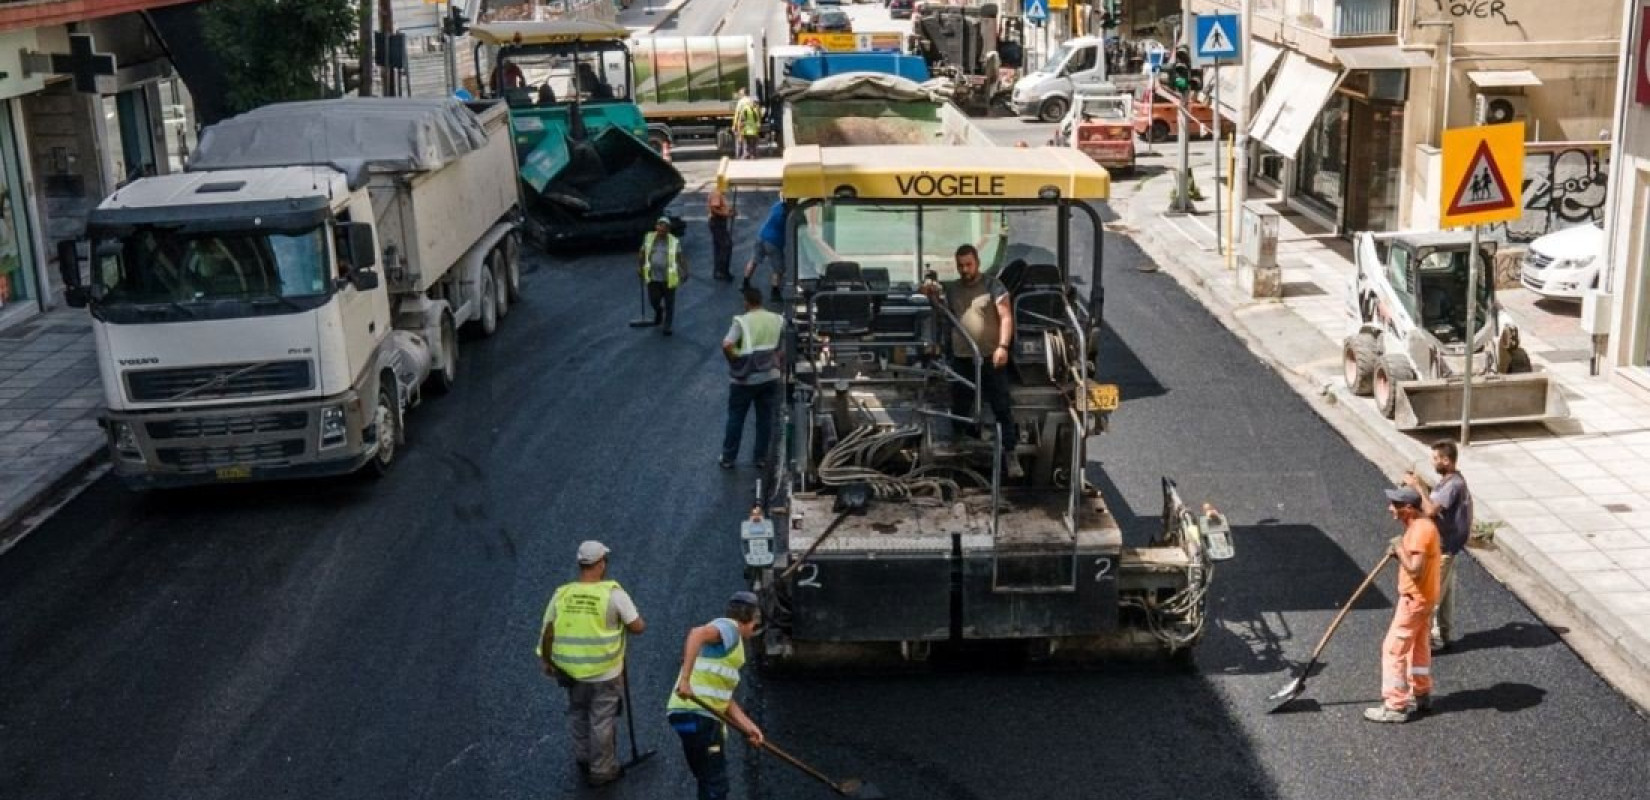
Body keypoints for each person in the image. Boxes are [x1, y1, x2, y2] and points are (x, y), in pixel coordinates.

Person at [537, 541, 647, 787]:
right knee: (602, 718)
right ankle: (602, 769)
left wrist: (545, 660)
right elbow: (638, 626)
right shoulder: (613, 594)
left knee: (578, 712)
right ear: (599, 564)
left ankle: (583, 757)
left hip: (570, 671)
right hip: (604, 672)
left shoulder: (562, 594)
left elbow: (547, 629)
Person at [920, 244, 1022, 479]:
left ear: (977, 263)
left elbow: (1006, 317)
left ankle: (1010, 453)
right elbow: (937, 302)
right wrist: (928, 291)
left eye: (969, 264)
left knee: (1001, 404)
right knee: (961, 403)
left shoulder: (993, 286)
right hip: (963, 357)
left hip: (991, 357)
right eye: (961, 266)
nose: (965, 269)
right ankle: (960, 445)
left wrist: (1003, 347)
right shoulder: (953, 289)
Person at [666, 591, 766, 800]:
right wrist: (684, 680)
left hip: (684, 715)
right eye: (756, 623)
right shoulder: (731, 629)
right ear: (750, 620)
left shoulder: (728, 645)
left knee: (707, 778)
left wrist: (748, 726)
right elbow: (697, 633)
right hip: (700, 715)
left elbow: (724, 698)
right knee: (716, 785)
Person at [1366, 487, 1442, 724]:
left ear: (1408, 508)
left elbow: (1416, 570)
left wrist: (1399, 548)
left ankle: (1395, 705)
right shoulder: (1422, 527)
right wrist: (1400, 550)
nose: (1390, 509)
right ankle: (1421, 693)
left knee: (1393, 650)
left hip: (1414, 600)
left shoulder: (1420, 531)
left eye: (1394, 505)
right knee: (1418, 647)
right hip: (1425, 599)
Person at [1403, 439, 1474, 651]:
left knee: (1430, 596)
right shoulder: (1452, 481)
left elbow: (1431, 510)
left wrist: (1417, 487)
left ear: (1446, 460)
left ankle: (1425, 641)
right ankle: (1444, 633)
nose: (1432, 462)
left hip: (1442, 550)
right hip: (1449, 548)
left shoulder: (1453, 485)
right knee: (1446, 595)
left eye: (1435, 458)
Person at [720, 287, 784, 469]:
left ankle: (728, 458)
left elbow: (727, 345)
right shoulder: (777, 319)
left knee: (736, 418)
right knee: (764, 419)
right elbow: (781, 346)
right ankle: (760, 458)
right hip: (770, 377)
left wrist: (734, 361)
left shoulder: (742, 321)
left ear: (747, 302)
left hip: (745, 379)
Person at [640, 216, 687, 335]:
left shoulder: (674, 241)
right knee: (653, 300)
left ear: (668, 230)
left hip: (668, 278)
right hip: (653, 277)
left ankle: (667, 325)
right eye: (660, 227)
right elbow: (642, 253)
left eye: (664, 228)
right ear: (656, 227)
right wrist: (639, 267)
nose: (661, 230)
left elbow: (680, 257)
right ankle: (659, 311)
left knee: (669, 303)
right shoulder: (649, 238)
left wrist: (685, 270)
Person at [743, 201, 785, 304]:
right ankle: (775, 293)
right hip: (774, 242)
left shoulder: (777, 206)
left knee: (754, 260)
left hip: (762, 235)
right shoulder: (787, 214)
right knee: (778, 269)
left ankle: (745, 282)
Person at [708, 188, 736, 281]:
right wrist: (727, 215)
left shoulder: (722, 195)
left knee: (721, 247)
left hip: (720, 223)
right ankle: (722, 271)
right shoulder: (717, 193)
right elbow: (714, 209)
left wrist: (730, 212)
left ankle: (719, 271)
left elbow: (722, 208)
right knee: (726, 246)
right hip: (717, 223)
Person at [732, 89, 761, 160]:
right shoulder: (753, 102)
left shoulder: (741, 103)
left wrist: (734, 124)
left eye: (740, 93)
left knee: (743, 141)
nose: (739, 94)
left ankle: (743, 155)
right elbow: (758, 115)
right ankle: (753, 155)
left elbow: (738, 114)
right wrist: (758, 125)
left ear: (743, 94)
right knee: (753, 142)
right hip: (753, 128)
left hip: (745, 127)